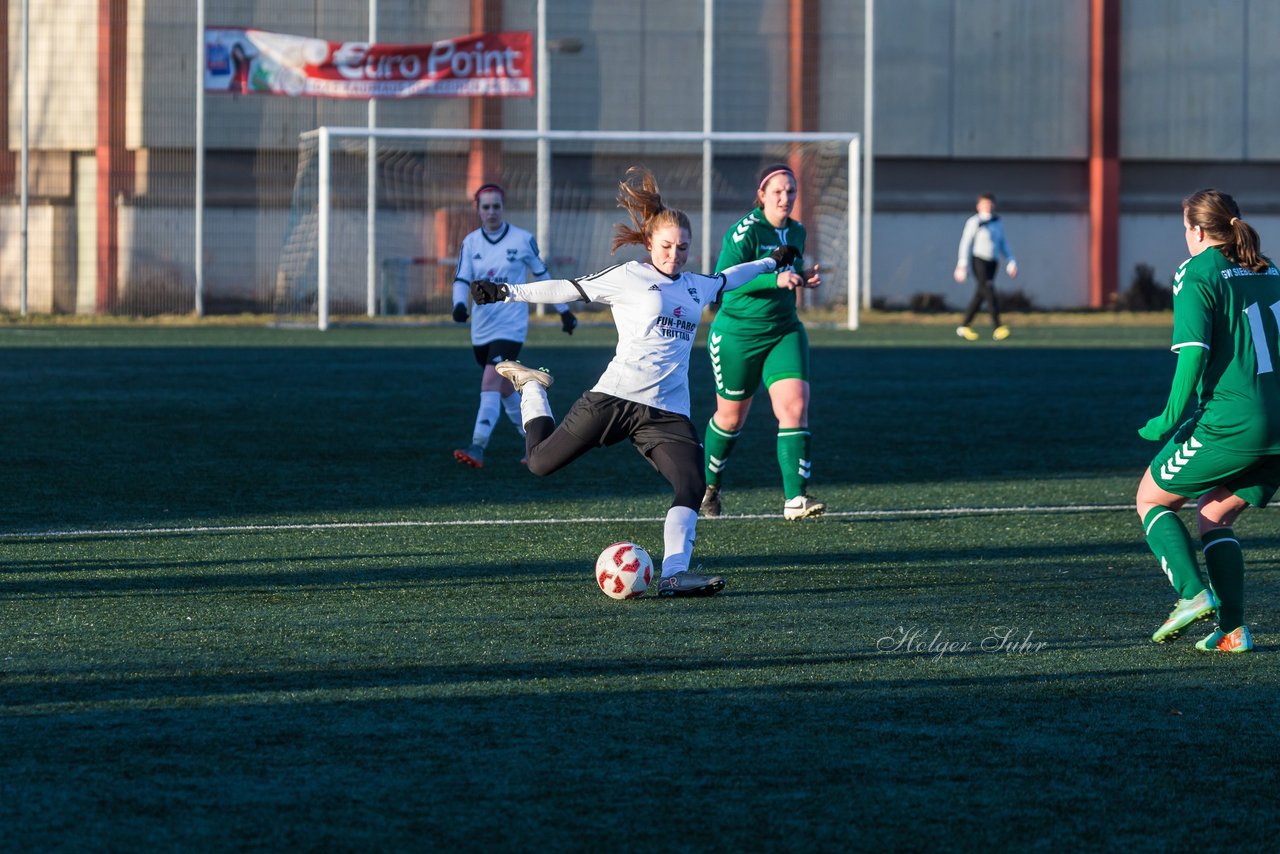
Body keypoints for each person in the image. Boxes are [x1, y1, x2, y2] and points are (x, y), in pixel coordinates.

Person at [469, 167, 800, 596]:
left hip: (667, 412)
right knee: (539, 464)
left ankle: (674, 574)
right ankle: (531, 386)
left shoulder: (696, 287)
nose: (674, 255)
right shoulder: (628, 277)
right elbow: (566, 289)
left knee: (693, 485)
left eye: (683, 248)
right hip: (614, 398)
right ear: (650, 243)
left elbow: (730, 276)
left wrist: (773, 261)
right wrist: (506, 291)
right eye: (666, 246)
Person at [1135, 188, 1280, 653]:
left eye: (1184, 228)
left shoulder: (1196, 272)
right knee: (1215, 513)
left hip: (1237, 422)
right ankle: (1233, 630)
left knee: (1150, 499)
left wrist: (1169, 417)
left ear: (1197, 231)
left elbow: (1193, 354)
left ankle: (1191, 596)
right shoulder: (1269, 268)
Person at [699, 163, 824, 521]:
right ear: (762, 195)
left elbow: (788, 275)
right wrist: (775, 281)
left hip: (784, 330)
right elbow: (723, 281)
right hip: (737, 334)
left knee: (794, 407)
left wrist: (801, 278)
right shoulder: (744, 233)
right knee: (731, 418)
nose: (786, 198)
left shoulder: (797, 232)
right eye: (779, 192)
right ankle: (709, 487)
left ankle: (795, 499)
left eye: (791, 191)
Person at [450, 183, 577, 469]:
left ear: (503, 208)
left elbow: (542, 274)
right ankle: (539, 445)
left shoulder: (522, 239)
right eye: (486, 207)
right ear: (478, 210)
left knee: (490, 381)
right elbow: (462, 278)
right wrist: (459, 305)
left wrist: (564, 311)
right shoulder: (471, 242)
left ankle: (477, 446)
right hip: (481, 328)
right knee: (507, 390)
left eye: (496, 206)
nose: (491, 212)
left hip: (511, 326)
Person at [953, 192, 1017, 341]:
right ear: (978, 206)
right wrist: (962, 263)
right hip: (979, 260)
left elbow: (1003, 243)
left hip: (993, 262)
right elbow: (966, 242)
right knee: (989, 291)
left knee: (980, 295)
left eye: (990, 204)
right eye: (984, 204)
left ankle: (964, 326)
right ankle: (998, 327)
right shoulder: (974, 222)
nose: (987, 206)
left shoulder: (997, 221)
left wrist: (1011, 260)